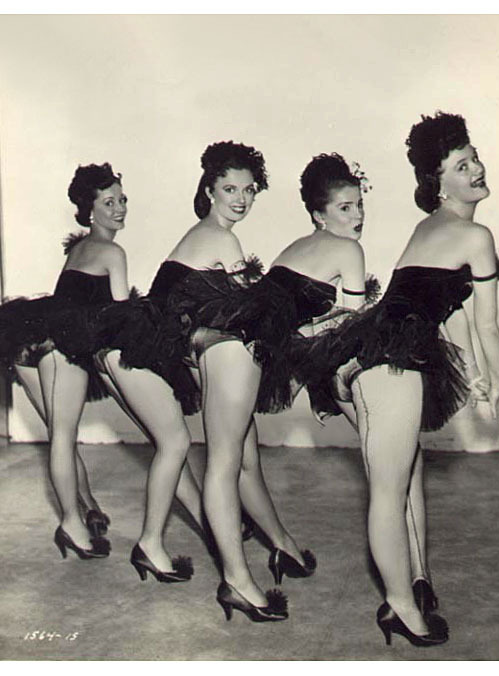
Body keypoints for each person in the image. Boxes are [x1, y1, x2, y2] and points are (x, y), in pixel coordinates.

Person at [264, 114, 499, 646]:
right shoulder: (474, 234)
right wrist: (497, 383)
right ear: (437, 184)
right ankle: (400, 605)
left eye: (474, 159)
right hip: (390, 363)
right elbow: (487, 322)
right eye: (460, 166)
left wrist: (471, 371)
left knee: (406, 473)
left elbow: (455, 309)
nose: (476, 169)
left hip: (375, 353)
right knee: (388, 487)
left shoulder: (431, 228)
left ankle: (417, 582)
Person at [131, 141, 316, 621]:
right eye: (230, 188)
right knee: (224, 460)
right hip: (155, 352)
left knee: (242, 455)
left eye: (249, 190)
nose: (241, 198)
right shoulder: (222, 240)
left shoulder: (207, 234)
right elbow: (249, 314)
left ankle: (283, 546)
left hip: (163, 348)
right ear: (209, 189)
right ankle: (236, 579)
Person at [0, 162, 128, 558]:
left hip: (25, 336)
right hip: (58, 346)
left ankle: (87, 509)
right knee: (64, 434)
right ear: (89, 210)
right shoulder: (112, 252)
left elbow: (67, 301)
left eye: (122, 199)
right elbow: (124, 316)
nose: (120, 208)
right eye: (109, 202)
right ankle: (71, 523)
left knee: (60, 433)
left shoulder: (78, 248)